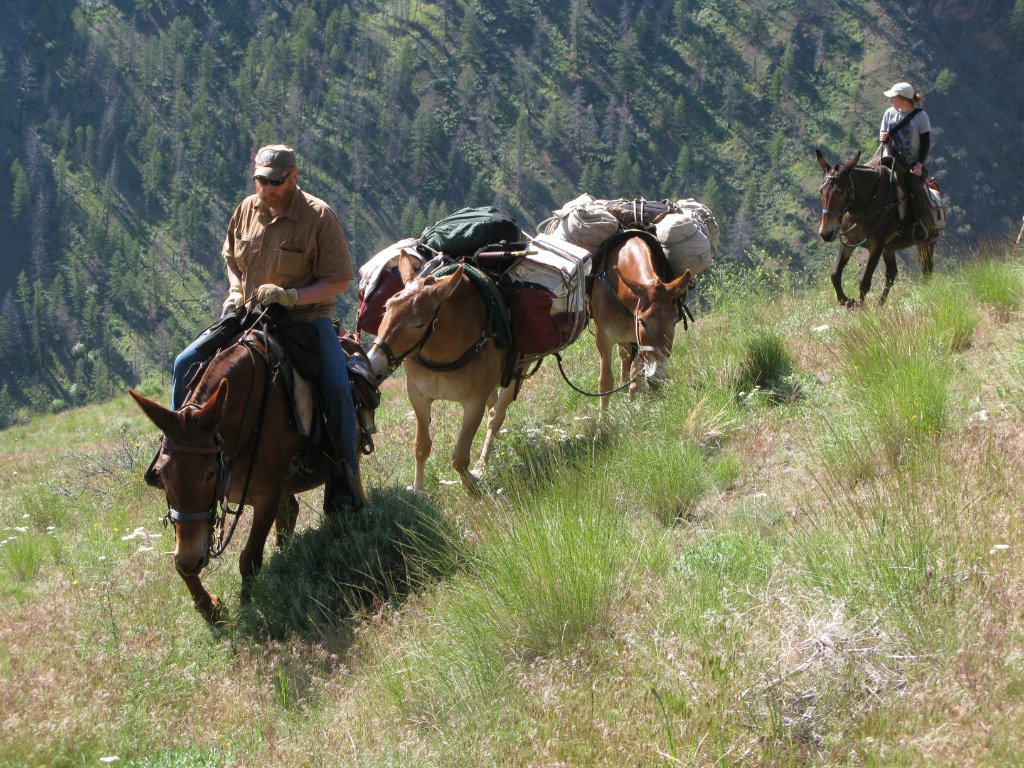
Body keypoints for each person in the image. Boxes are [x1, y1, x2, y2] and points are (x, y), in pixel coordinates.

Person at [160, 144, 363, 511]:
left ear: (294, 177)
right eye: (261, 180)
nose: (267, 189)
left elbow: (338, 281)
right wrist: (236, 291)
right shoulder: (245, 210)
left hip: (303, 319)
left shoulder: (318, 216)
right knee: (184, 363)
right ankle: (178, 453)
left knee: (336, 385)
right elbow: (232, 261)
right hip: (248, 314)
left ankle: (345, 477)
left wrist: (290, 295)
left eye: (276, 181)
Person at [878, 81, 932, 242]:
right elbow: (883, 135)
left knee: (915, 190)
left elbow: (925, 143)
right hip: (888, 160)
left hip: (909, 165)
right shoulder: (889, 113)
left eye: (893, 98)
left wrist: (919, 164)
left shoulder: (921, 117)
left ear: (903, 99)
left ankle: (919, 223)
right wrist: (883, 137)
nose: (890, 101)